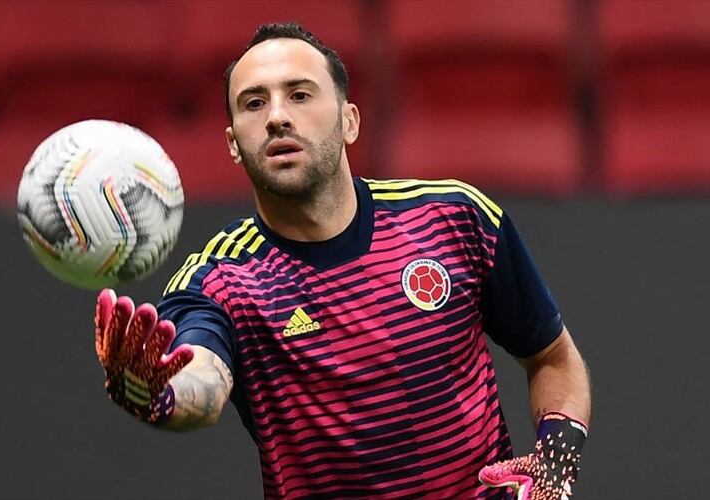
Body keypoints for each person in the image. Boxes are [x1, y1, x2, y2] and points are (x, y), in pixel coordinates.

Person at [94, 23, 591, 500]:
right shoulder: (218, 281)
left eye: (300, 94)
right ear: (232, 145)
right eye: (254, 103)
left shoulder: (455, 217)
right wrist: (158, 389)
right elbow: (199, 382)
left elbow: (552, 355)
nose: (277, 117)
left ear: (350, 121)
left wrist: (556, 460)